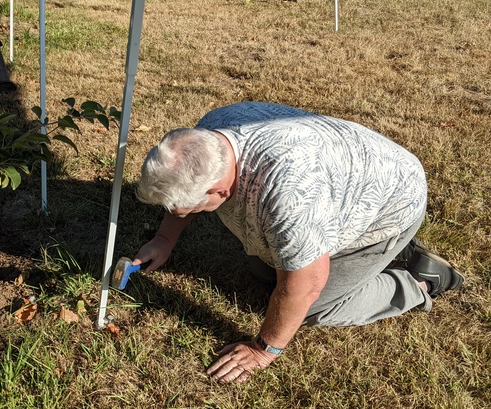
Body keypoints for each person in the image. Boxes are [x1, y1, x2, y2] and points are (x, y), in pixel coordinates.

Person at [133, 102, 463, 384]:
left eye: (185, 208)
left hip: (392, 203)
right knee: (265, 271)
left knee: (310, 306)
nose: (177, 213)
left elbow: (305, 286)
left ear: (218, 192)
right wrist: (164, 239)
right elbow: (187, 182)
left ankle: (415, 282)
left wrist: (263, 350)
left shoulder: (286, 197)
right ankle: (383, 252)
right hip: (349, 181)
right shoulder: (208, 134)